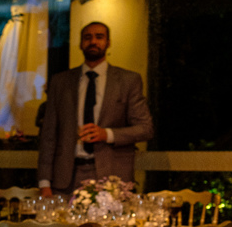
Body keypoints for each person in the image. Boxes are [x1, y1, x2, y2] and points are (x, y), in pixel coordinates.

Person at [37, 22, 154, 197]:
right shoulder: (60, 82)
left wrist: (107, 134)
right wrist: (44, 182)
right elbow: (48, 135)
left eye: (99, 37)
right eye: (87, 37)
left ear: (108, 42)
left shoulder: (128, 81)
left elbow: (145, 129)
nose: (93, 41)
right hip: (65, 179)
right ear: (80, 44)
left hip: (112, 177)